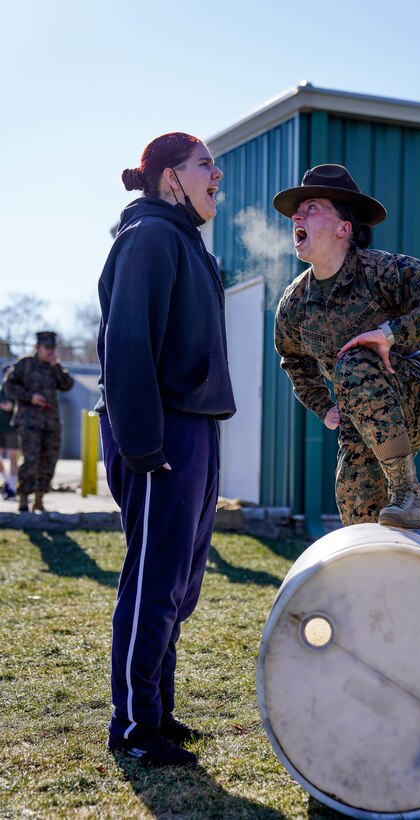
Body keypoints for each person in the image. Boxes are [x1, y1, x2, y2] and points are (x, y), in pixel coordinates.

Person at [96, 132, 236, 767]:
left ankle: (158, 711)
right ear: (170, 178)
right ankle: (132, 726)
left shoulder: (187, 241)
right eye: (205, 164)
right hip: (162, 434)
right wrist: (146, 447)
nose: (218, 173)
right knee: (153, 582)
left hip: (195, 428)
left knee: (178, 583)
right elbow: (126, 347)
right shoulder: (150, 237)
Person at [273, 164, 420, 529]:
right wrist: (324, 406)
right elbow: (293, 359)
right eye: (296, 211)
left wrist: (390, 332)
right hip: (362, 417)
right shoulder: (295, 302)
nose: (296, 215)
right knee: (358, 509)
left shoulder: (381, 271)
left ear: (343, 228)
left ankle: (408, 492)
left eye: (312, 207)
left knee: (353, 361)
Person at [4, 332, 74, 512]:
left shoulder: (54, 367)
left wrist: (56, 365)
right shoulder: (25, 364)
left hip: (51, 423)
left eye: (52, 348)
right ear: (37, 347)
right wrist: (30, 397)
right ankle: (23, 500)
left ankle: (39, 499)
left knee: (48, 461)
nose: (50, 351)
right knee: (31, 460)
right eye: (47, 348)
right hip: (29, 422)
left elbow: (67, 385)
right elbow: (9, 386)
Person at [0, 364, 19, 499]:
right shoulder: (1, 391)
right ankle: (6, 482)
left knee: (13, 458)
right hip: (0, 428)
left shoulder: (17, 391)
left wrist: (12, 406)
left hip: (13, 429)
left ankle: (12, 489)